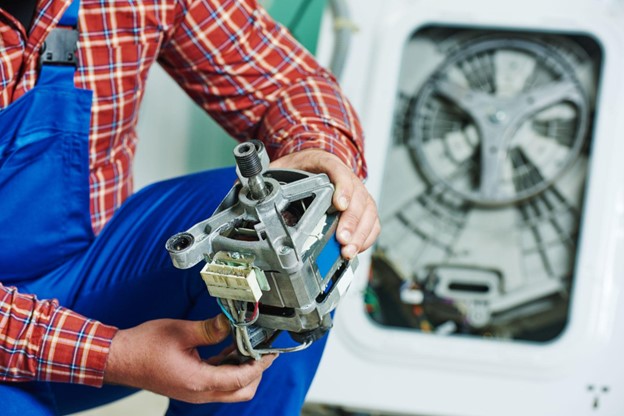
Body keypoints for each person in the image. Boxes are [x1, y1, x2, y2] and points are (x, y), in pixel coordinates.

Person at [0, 0, 379, 414]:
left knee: (293, 221)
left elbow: (286, 83)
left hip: (89, 284)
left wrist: (321, 153)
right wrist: (113, 353)